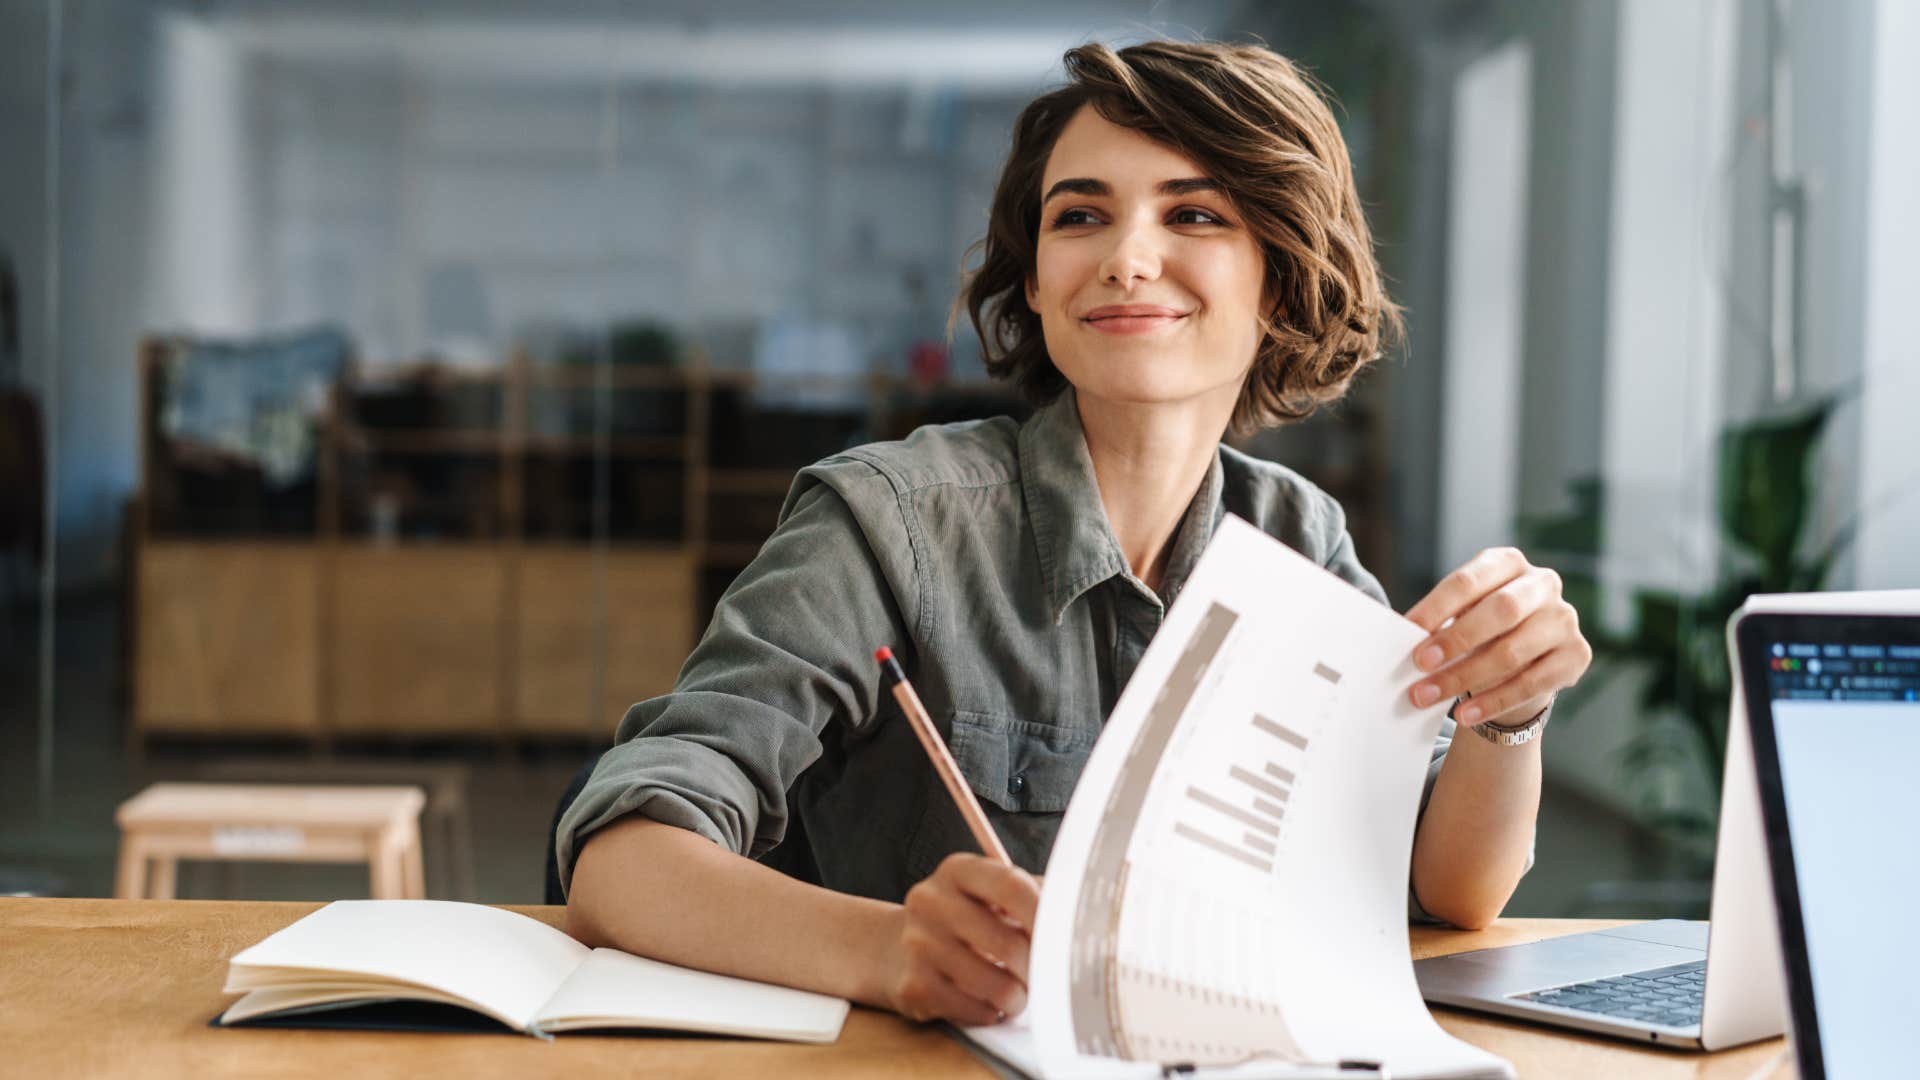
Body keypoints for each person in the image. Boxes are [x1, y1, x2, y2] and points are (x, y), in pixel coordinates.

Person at [562, 39, 1592, 1027]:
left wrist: (1507, 713)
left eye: (1193, 213)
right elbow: (623, 858)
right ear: (1039, 279)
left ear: (1279, 272)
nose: (1127, 260)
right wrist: (887, 952)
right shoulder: (884, 519)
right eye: (1080, 216)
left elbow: (1445, 891)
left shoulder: (1298, 536)